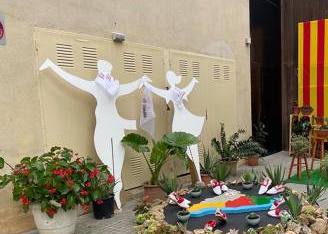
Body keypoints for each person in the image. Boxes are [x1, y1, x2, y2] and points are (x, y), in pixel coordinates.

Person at [39, 58, 150, 208]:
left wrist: (141, 80)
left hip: (116, 128)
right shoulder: (95, 86)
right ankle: (116, 197)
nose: (105, 72)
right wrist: (53, 66)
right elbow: (73, 80)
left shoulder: (115, 87)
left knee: (118, 163)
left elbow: (130, 87)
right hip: (103, 129)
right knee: (110, 164)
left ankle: (117, 197)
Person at [142, 71, 204, 179]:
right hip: (179, 120)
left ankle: (198, 176)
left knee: (193, 144)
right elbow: (157, 91)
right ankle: (198, 177)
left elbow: (187, 89)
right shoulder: (170, 92)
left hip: (186, 117)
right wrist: (147, 85)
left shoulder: (179, 90)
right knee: (188, 145)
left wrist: (193, 82)